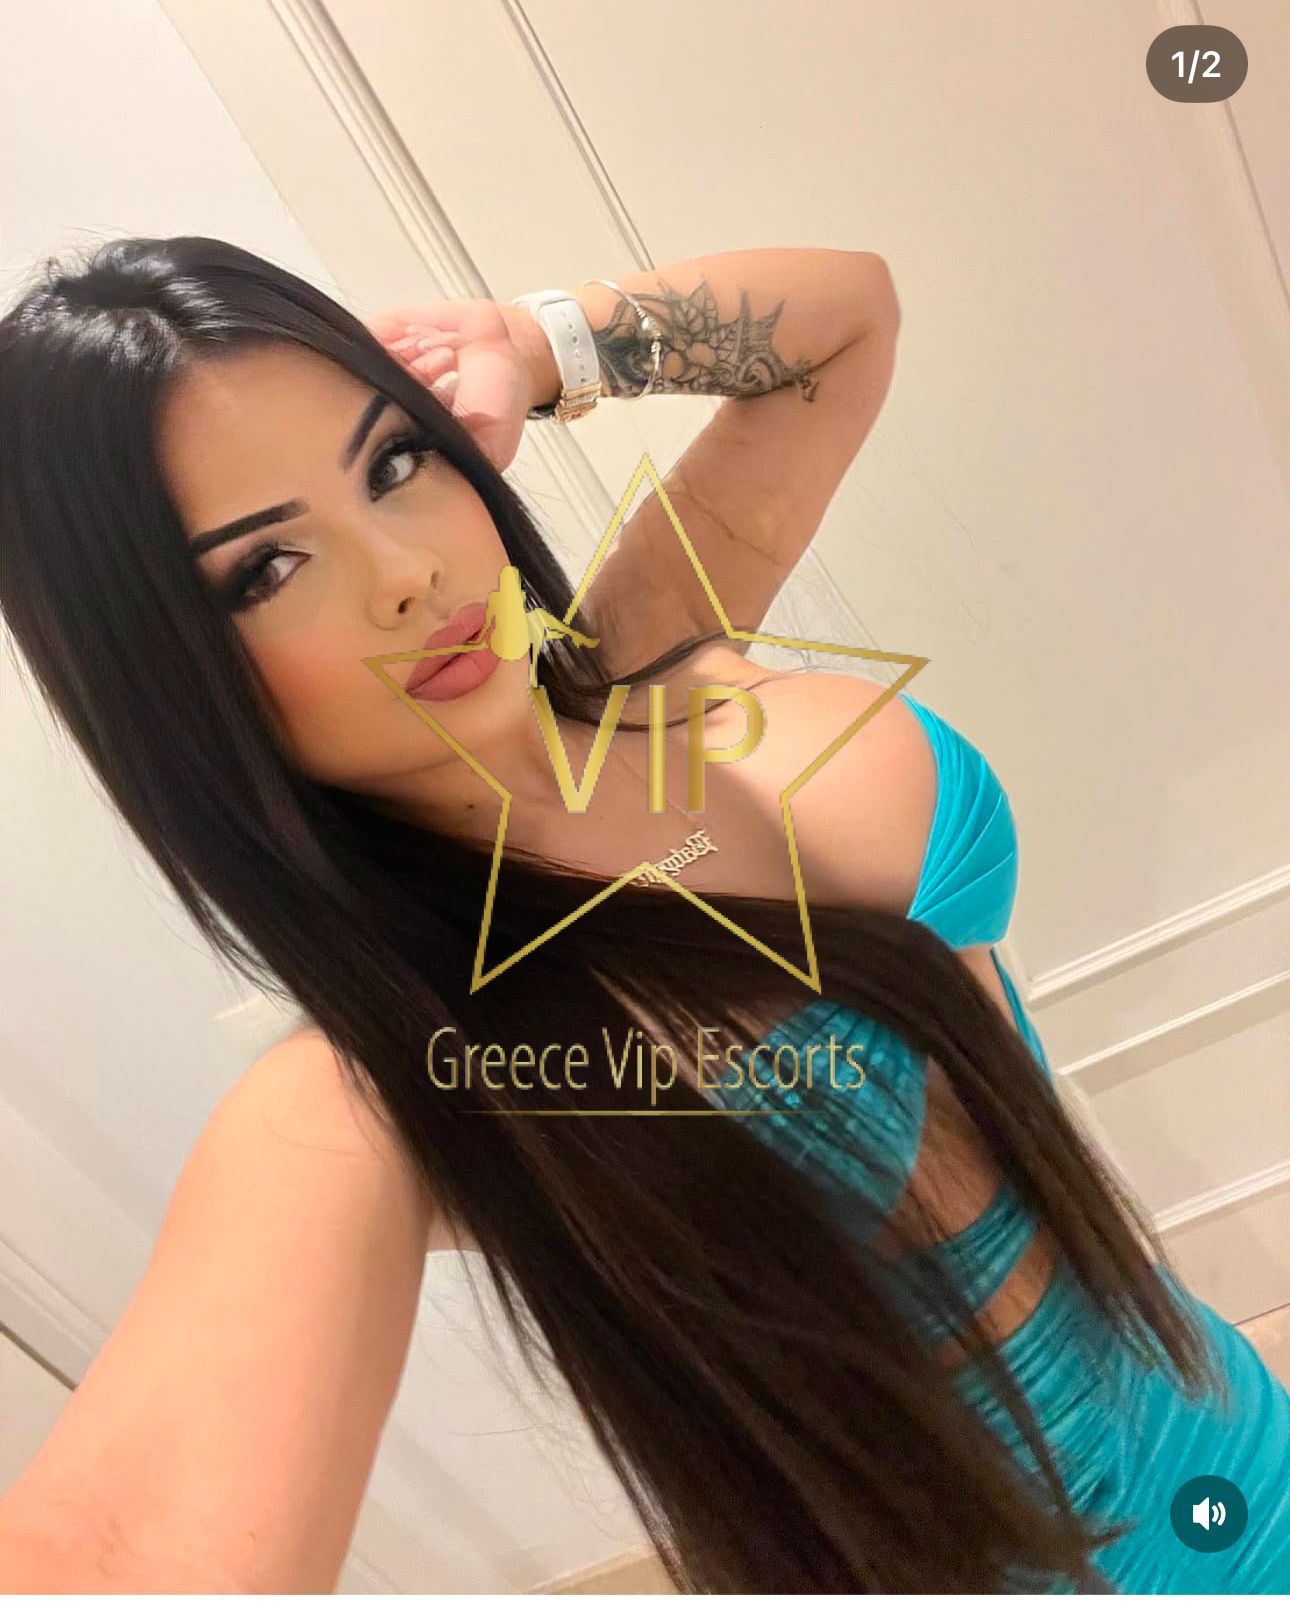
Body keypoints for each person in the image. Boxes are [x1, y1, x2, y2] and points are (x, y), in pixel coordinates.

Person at [0, 235, 1284, 1594]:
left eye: (392, 462)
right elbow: (117, 1550)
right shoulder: (380, 1076)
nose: (403, 571)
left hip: (1232, 1426)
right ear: (166, 676)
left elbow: (845, 317)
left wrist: (533, 342)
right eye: (265, 568)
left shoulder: (643, 647)